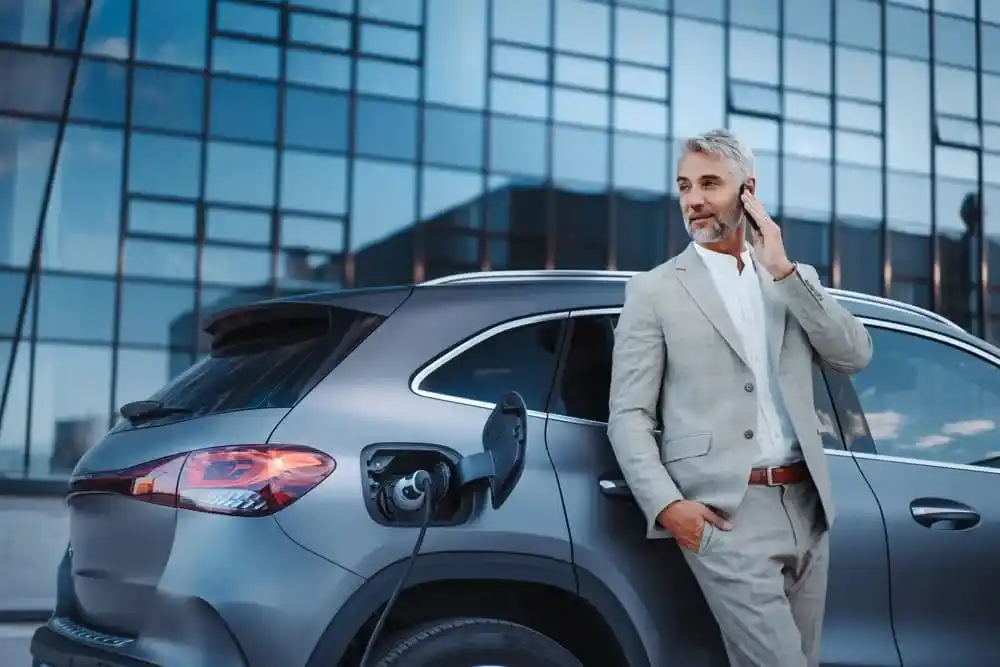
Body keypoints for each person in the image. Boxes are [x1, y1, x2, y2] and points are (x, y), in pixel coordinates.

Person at [607, 128, 872, 667]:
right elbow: (628, 414)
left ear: (747, 190)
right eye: (684, 186)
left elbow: (853, 355)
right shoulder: (654, 290)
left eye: (709, 183)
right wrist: (668, 506)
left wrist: (784, 270)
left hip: (807, 503)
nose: (693, 200)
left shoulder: (792, 279)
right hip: (727, 512)